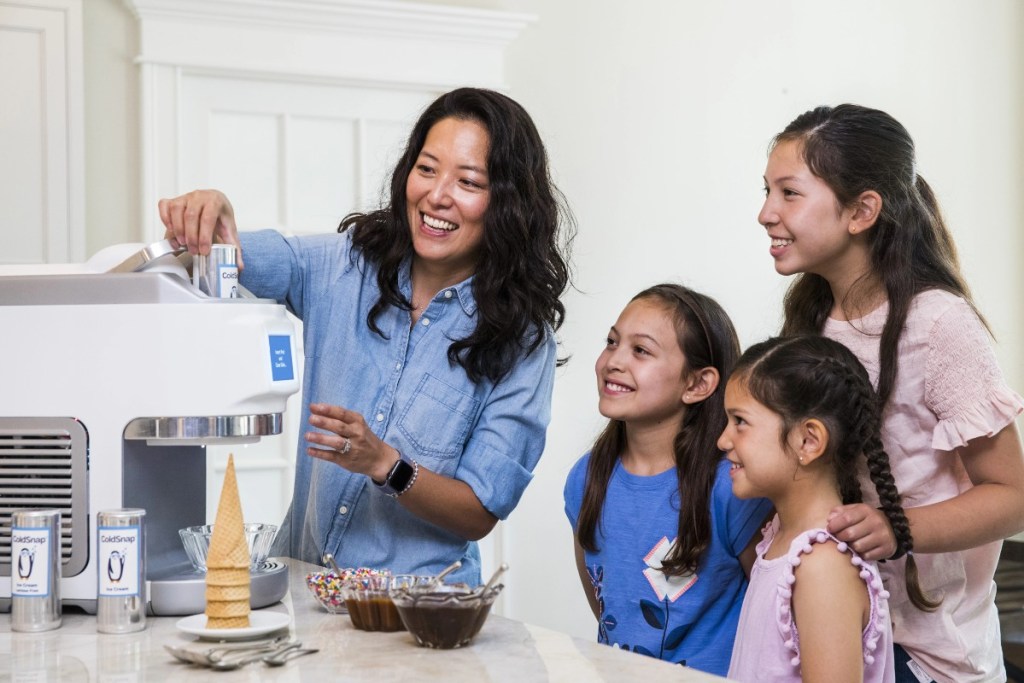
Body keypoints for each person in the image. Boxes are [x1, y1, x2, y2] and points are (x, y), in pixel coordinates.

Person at [159, 87, 575, 585]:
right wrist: (214, 213)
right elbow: (223, 258)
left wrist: (384, 463)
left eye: (468, 181)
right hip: (307, 595)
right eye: (426, 169)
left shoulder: (521, 341)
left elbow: (480, 510)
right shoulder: (345, 265)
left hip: (422, 610)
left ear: (506, 204)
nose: (437, 195)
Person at [758, 103, 1024, 682]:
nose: (765, 213)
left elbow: (1012, 495)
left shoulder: (940, 325)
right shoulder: (809, 316)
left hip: (929, 656)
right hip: (837, 630)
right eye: (766, 191)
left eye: (789, 193)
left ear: (861, 210)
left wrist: (898, 529)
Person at [563, 284, 772, 676]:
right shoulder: (586, 478)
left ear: (697, 384)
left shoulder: (734, 486)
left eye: (640, 350)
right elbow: (606, 602)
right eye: (612, 342)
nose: (614, 360)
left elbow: (772, 613)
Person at [720, 335, 939, 682]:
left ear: (808, 441)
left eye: (740, 422)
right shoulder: (781, 539)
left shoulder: (822, 566)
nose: (723, 440)